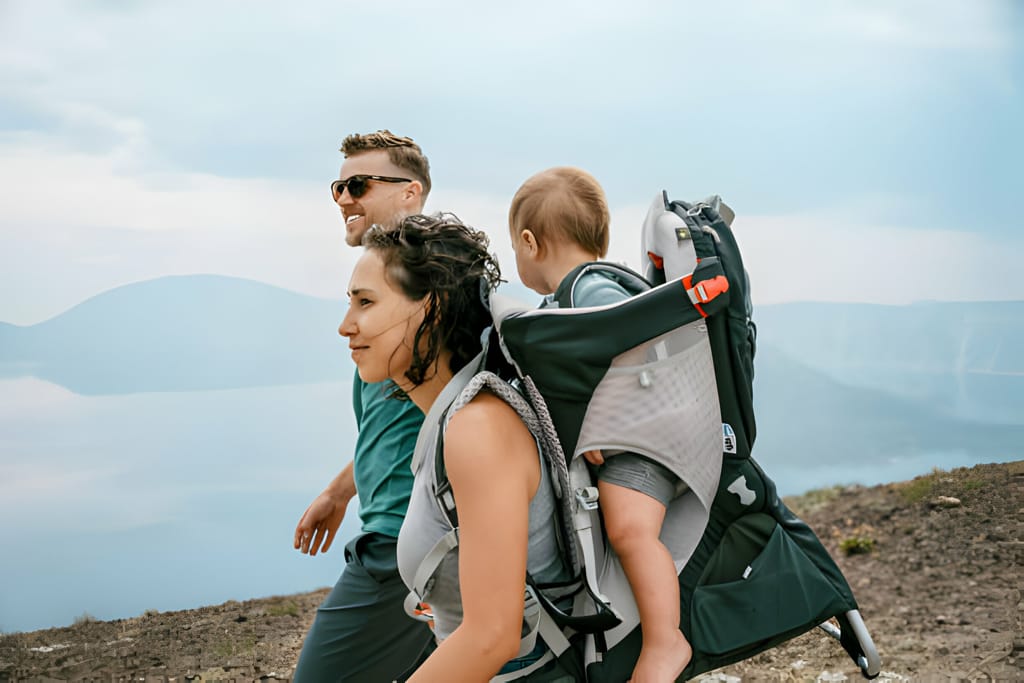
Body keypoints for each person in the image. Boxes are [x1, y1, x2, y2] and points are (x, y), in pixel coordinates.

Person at [340, 214, 576, 682]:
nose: (346, 326)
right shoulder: (450, 420)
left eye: (365, 302)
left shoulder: (477, 429)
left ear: (429, 309)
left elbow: (493, 636)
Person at [508, 167, 693, 683]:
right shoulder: (565, 300)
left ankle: (665, 641)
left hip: (650, 442)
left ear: (529, 242)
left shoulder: (594, 294)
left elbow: (636, 363)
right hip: (634, 437)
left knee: (630, 529)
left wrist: (599, 425)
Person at [291, 130, 434, 682]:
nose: (345, 198)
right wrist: (338, 492)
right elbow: (398, 424)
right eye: (339, 187)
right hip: (413, 538)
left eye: (359, 184)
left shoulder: (432, 292)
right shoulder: (389, 290)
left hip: (406, 543)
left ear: (409, 193)